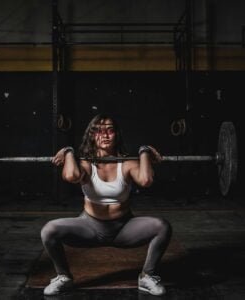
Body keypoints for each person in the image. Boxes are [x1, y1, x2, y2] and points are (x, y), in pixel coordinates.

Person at [41, 114, 172, 296]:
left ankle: (147, 276)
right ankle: (64, 277)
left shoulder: (127, 163)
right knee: (49, 230)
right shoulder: (86, 163)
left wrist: (144, 152)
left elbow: (146, 180)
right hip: (89, 229)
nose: (104, 135)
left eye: (109, 130)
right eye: (98, 131)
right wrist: (69, 151)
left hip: (124, 229)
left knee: (162, 226)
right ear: (92, 136)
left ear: (116, 134)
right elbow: (71, 176)